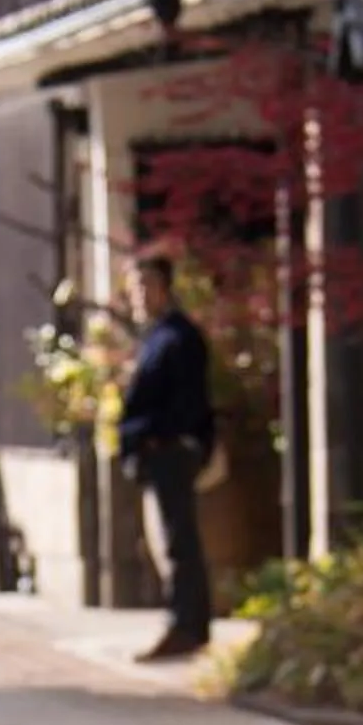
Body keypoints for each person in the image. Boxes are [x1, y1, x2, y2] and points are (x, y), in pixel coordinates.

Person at [117, 246, 215, 661]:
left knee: (179, 541)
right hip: (157, 451)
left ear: (164, 287)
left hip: (171, 450)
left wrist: (158, 436)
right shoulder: (156, 337)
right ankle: (185, 622)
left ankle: (187, 625)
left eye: (146, 285)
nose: (139, 294)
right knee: (170, 540)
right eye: (134, 286)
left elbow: (189, 403)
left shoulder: (178, 337)